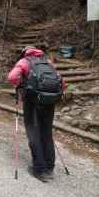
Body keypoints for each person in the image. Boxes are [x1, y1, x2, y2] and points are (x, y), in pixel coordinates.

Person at [7, 46, 65, 182]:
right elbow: (62, 82)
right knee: (46, 133)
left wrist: (22, 85)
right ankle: (50, 167)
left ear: (24, 53)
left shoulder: (24, 62)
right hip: (50, 102)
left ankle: (40, 170)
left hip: (32, 102)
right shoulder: (48, 63)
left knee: (34, 134)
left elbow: (11, 77)